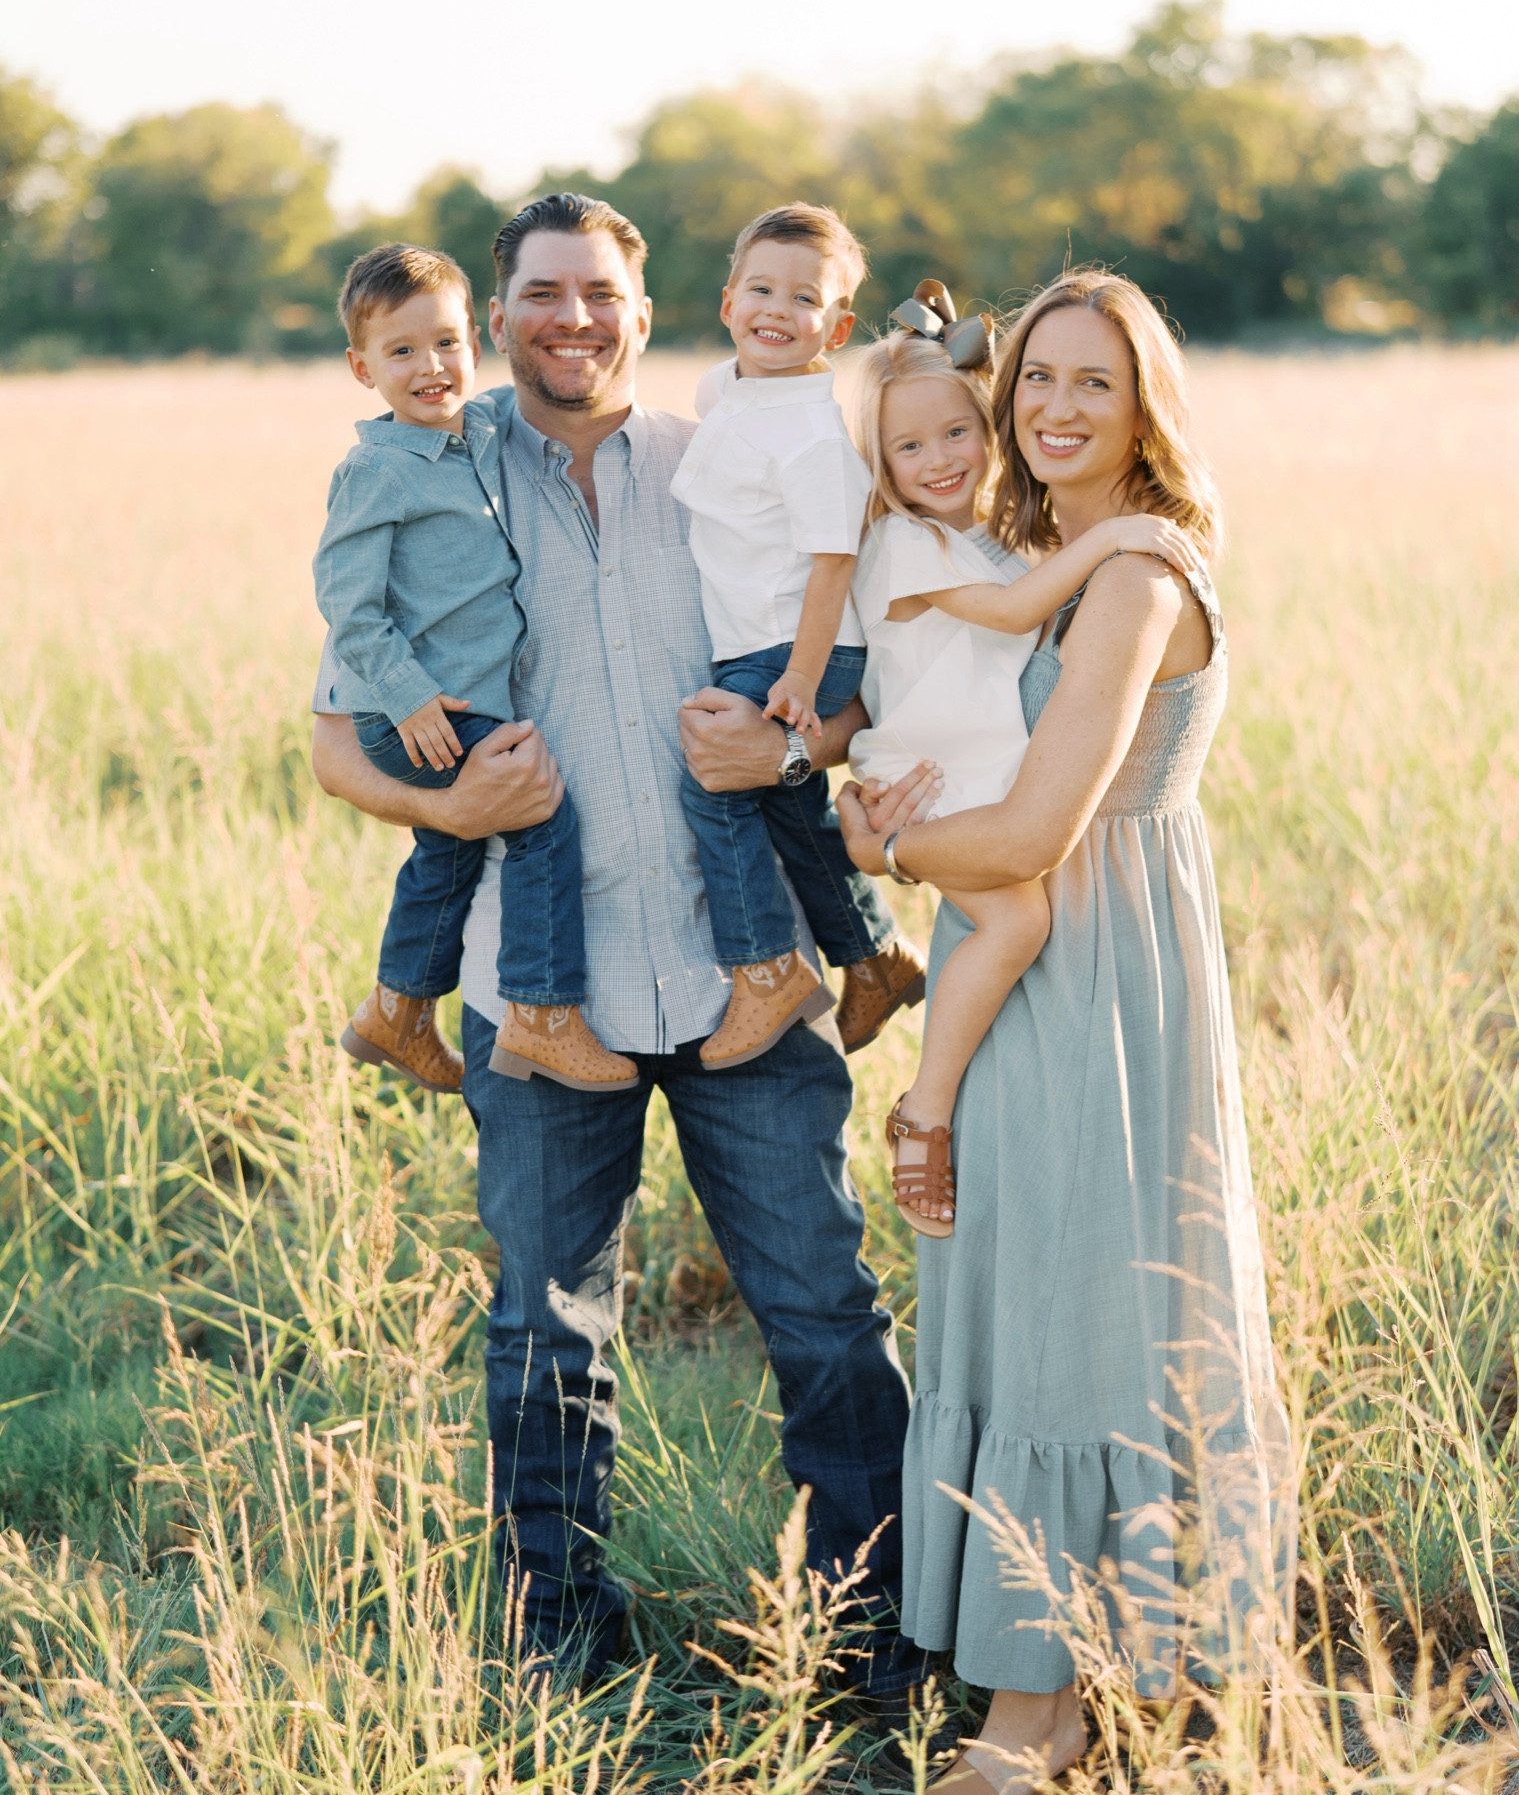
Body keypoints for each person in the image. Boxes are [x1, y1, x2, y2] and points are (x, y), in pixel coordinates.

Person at [310, 192, 924, 1700]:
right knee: (541, 1331)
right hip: (540, 993)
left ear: (650, 314)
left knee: (825, 1316)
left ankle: (872, 1638)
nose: (571, 320)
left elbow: (851, 687)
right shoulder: (433, 474)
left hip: (745, 976)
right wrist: (449, 794)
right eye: (540, 295)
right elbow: (338, 744)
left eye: (600, 294)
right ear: (495, 315)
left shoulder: (725, 463)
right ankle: (564, 1649)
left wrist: (789, 759)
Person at [838, 268, 1296, 1795]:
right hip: (1029, 953)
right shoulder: (1040, 551)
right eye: (1034, 379)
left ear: (1145, 398)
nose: (1053, 408)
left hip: (1097, 969)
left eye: (1091, 381)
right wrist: (871, 805)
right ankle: (1079, 1682)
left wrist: (898, 861)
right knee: (1024, 1292)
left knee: (1072, 1307)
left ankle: (1034, 1725)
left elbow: (1038, 828)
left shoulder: (1136, 581)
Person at [846, 285, 1204, 1237]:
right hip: (932, 768)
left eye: (1094, 381)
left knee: (1014, 919)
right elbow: (1011, 621)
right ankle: (923, 1109)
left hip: (1012, 818)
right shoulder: (914, 543)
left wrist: (876, 854)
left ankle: (923, 1100)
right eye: (1038, 377)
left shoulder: (1041, 552)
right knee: (1013, 920)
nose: (935, 461)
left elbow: (1025, 624)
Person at [315, 243, 636, 1097]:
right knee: (538, 812)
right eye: (402, 352)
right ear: (362, 368)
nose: (431, 367)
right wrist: (407, 696)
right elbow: (348, 605)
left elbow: (557, 387)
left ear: (478, 342)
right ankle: (541, 1010)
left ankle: (398, 1010)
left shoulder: (484, 427)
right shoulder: (376, 471)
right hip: (419, 709)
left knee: (450, 851)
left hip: (460, 705)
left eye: (448, 343)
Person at [669, 204, 925, 1070]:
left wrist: (801, 680)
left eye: (804, 298)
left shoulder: (814, 435)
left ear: (837, 325)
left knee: (714, 776)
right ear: (728, 300)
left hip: (794, 643)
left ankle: (767, 971)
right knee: (787, 805)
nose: (777, 310)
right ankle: (875, 957)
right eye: (760, 289)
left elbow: (832, 567)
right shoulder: (728, 390)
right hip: (763, 638)